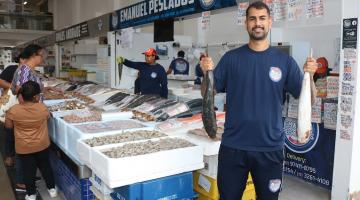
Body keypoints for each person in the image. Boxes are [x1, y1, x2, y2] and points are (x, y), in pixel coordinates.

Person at [200, 1, 318, 199]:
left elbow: (310, 100)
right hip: (233, 147)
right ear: (246, 23)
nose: (257, 23)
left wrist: (310, 77)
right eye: (252, 19)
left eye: (262, 18)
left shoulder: (285, 62)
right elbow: (207, 93)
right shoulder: (231, 59)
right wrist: (206, 74)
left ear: (270, 22)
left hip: (270, 149)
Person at [5, 81, 57, 200]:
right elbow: (47, 118)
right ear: (35, 97)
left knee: (28, 170)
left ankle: (31, 194)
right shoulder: (42, 108)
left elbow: (8, 127)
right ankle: (52, 189)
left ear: (22, 95)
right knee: (45, 167)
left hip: (24, 148)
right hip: (42, 145)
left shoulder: (13, 110)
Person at [0, 54, 28, 192]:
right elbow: (0, 81)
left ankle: (13, 158)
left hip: (20, 107)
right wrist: (14, 88)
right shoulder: (12, 69)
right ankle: (8, 157)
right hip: (9, 105)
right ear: (21, 60)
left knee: (14, 134)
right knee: (7, 131)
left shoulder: (28, 72)